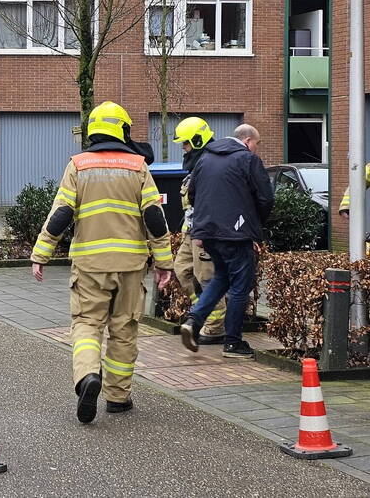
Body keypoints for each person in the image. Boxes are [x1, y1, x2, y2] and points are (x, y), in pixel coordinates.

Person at [31, 101, 174, 423]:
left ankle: (87, 377)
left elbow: (61, 214)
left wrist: (41, 254)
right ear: (123, 129)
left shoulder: (78, 165)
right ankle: (118, 397)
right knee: (124, 329)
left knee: (86, 324)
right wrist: (164, 262)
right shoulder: (138, 166)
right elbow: (154, 216)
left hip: (90, 263)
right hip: (131, 264)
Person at [180, 125, 274, 358]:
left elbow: (192, 195)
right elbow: (266, 197)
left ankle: (193, 320)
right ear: (248, 140)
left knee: (221, 277)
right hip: (236, 234)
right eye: (257, 144)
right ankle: (233, 343)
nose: (256, 149)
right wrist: (254, 224)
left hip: (207, 233)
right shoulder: (247, 160)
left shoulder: (205, 159)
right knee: (240, 287)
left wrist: (203, 226)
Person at [172, 117, 226, 345]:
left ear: (196, 140)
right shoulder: (197, 165)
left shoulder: (209, 164)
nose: (183, 149)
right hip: (190, 231)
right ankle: (200, 313)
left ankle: (214, 327)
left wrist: (204, 233)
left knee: (206, 278)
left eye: (185, 144)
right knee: (182, 270)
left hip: (203, 233)